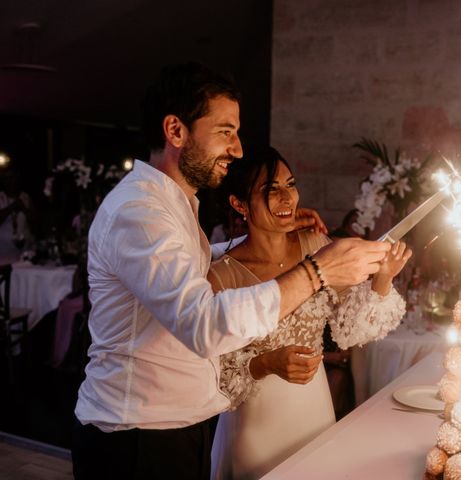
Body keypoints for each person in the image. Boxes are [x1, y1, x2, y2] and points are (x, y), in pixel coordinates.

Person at [71, 62, 392, 480]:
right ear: (176, 131)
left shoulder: (172, 205)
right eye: (226, 132)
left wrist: (267, 239)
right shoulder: (141, 212)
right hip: (138, 439)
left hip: (174, 429)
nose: (238, 149)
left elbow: (184, 271)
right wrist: (316, 269)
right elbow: (203, 324)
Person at [208, 147, 410, 479]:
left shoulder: (316, 246)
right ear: (239, 204)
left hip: (314, 410)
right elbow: (207, 375)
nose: (287, 197)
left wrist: (384, 277)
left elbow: (352, 329)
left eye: (290, 184)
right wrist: (265, 363)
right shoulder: (222, 275)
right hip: (255, 427)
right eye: (271, 190)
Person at [0, 168, 33, 262]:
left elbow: (35, 222)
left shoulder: (25, 197)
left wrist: (24, 209)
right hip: (3, 249)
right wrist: (11, 208)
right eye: (6, 178)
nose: (9, 181)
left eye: (12, 177)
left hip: (24, 248)